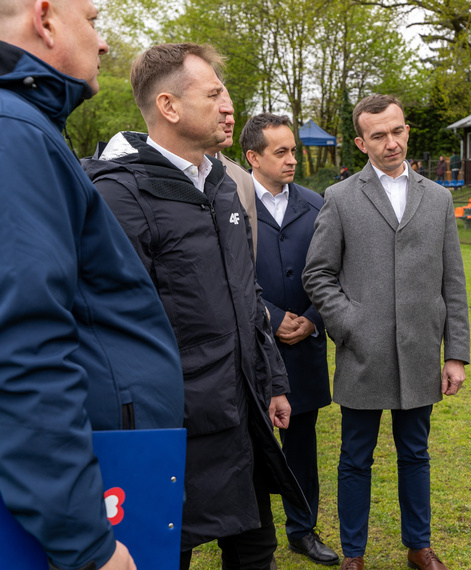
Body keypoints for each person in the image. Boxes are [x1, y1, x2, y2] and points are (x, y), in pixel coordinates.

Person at [81, 43, 310, 570]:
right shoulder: (119, 196)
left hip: (242, 418)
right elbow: (112, 333)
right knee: (164, 556)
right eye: (214, 94)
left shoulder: (224, 185)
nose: (229, 106)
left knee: (256, 555)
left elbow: (246, 293)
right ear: (169, 106)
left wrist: (272, 380)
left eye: (226, 93)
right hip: (172, 433)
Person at [0, 1, 184, 569]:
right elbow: (23, 348)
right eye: (95, 20)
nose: (103, 43)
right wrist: (87, 542)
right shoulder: (16, 134)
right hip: (87, 511)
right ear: (46, 18)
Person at [303, 94, 470, 570]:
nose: (391, 142)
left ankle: (419, 545)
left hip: (420, 352)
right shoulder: (340, 198)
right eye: (378, 135)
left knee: (415, 453)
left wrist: (455, 352)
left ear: (407, 131)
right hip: (363, 354)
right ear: (361, 142)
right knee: (356, 457)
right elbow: (317, 274)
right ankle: (354, 553)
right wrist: (348, 324)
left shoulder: (438, 199)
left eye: (397, 131)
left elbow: (452, 281)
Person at [240, 113, 339, 566]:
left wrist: (314, 319)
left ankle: (303, 529)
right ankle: (252, 537)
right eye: (280, 151)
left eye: (293, 150)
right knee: (251, 447)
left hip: (306, 349)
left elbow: (340, 272)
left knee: (302, 445)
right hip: (251, 348)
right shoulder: (230, 205)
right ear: (252, 157)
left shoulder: (318, 205)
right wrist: (273, 317)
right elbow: (231, 275)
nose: (292, 159)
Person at [206, 89, 259, 259]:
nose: (231, 120)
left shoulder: (243, 178)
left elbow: (250, 253)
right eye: (222, 112)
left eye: (231, 112)